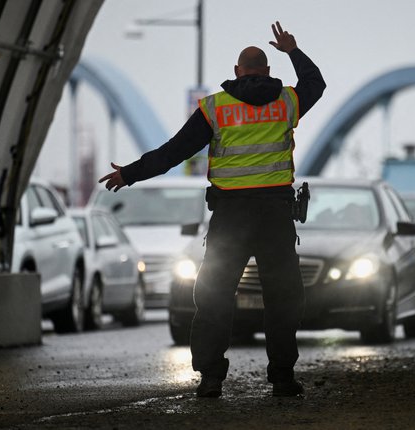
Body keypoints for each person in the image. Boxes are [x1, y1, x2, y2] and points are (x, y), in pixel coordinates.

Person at [99, 21, 325, 398]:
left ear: (237, 71)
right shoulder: (288, 101)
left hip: (230, 218)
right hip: (275, 216)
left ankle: (211, 378)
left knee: (215, 294)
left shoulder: (215, 109)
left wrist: (130, 173)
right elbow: (315, 83)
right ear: (267, 71)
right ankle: (283, 377)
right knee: (283, 297)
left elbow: (174, 152)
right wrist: (293, 51)